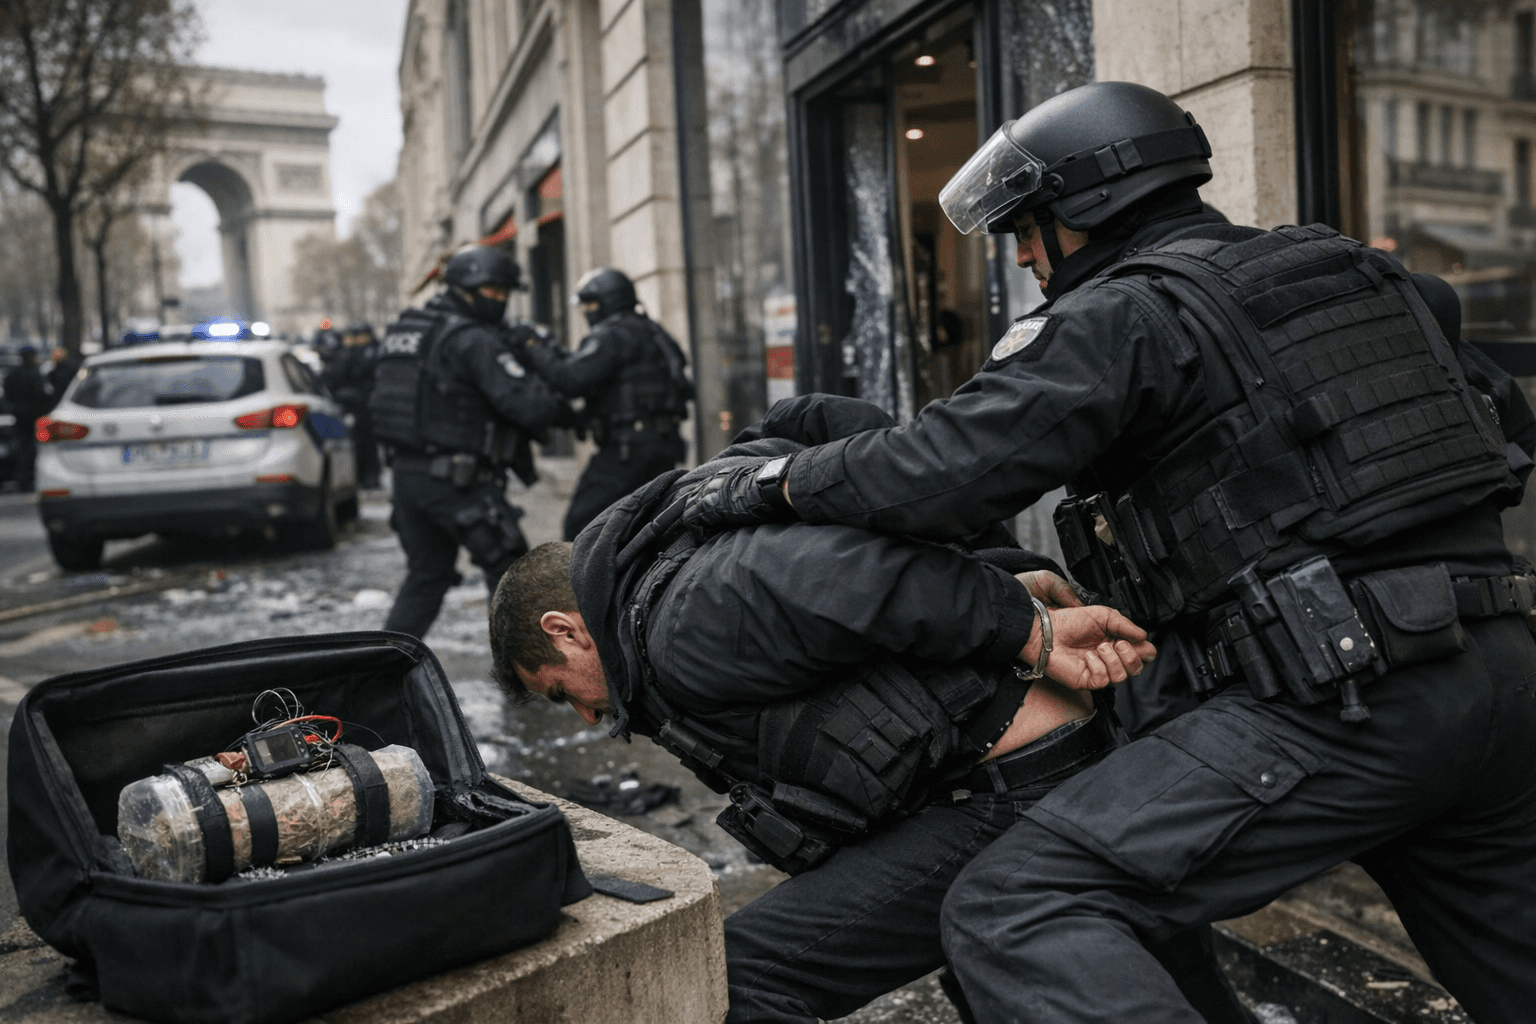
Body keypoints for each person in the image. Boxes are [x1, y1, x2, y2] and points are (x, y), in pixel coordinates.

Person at [676, 81, 1536, 1023]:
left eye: (1028, 229)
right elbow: (1505, 429)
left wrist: (767, 483)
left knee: (1020, 906)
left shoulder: (1126, 314)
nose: (1025, 255)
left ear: (1084, 209)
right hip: (1497, 674)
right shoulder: (1370, 279)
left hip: (1336, 695)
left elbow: (938, 473)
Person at [488, 395, 1252, 1024]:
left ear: (565, 629)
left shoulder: (681, 617)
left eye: (562, 691)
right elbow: (827, 422)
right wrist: (1002, 574)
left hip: (1009, 794)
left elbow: (852, 574)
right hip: (1040, 767)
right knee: (1139, 980)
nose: (587, 717)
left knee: (736, 981)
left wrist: (1029, 630)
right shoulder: (674, 561)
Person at [369, 245, 566, 640]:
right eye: (492, 292)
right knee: (516, 580)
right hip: (457, 482)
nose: (500, 301)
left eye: (504, 293)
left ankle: (380, 673)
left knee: (427, 576)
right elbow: (530, 407)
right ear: (466, 287)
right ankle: (528, 684)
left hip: (408, 479)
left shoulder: (410, 330)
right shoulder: (470, 338)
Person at [518, 267, 692, 540]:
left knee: (581, 527)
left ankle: (587, 583)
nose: (587, 311)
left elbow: (571, 379)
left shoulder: (612, 334)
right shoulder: (650, 330)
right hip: (659, 445)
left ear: (609, 302)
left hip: (626, 451)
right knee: (641, 528)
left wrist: (532, 346)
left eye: (592, 304)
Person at [322, 321, 382, 488]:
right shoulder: (347, 353)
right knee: (358, 443)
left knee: (365, 443)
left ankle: (369, 477)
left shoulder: (369, 352)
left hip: (364, 404)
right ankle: (365, 477)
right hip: (354, 404)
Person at [4, 346, 53, 491]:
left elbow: (8, 395)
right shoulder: (36, 374)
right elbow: (44, 394)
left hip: (20, 415)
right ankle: (32, 476)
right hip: (35, 416)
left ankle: (23, 477)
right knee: (36, 447)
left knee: (22, 447)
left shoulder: (13, 375)